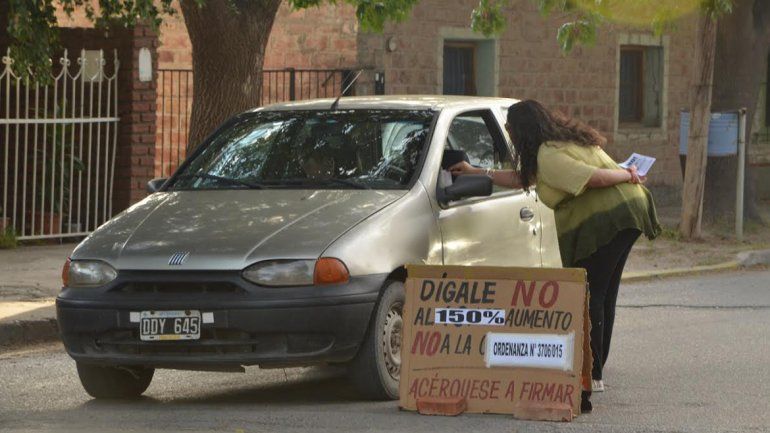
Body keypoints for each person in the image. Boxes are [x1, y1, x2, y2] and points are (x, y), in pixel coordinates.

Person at [449, 100, 661, 412]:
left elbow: (593, 177)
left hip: (610, 217)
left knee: (591, 294)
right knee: (604, 293)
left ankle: (592, 374)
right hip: (627, 211)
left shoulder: (548, 154)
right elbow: (522, 179)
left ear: (523, 129)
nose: (507, 131)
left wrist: (627, 174)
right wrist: (475, 171)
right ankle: (596, 370)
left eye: (510, 127)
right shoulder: (562, 143)